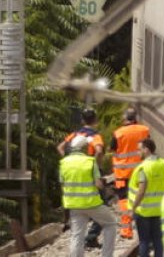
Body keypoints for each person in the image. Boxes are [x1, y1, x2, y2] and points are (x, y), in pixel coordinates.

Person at [60, 135, 118, 257]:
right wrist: (104, 183)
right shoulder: (90, 162)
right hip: (92, 203)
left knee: (77, 235)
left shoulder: (63, 163)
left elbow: (63, 184)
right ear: (84, 148)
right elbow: (98, 185)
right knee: (111, 223)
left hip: (74, 205)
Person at [58, 106, 106, 247]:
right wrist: (95, 166)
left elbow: (60, 148)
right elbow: (98, 151)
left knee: (74, 201)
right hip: (89, 171)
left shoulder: (74, 135)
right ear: (95, 119)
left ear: (82, 119)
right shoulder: (94, 136)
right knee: (102, 204)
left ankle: (72, 228)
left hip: (73, 170)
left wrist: (69, 160)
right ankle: (91, 237)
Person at [111, 108, 151, 239]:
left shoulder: (118, 133)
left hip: (122, 174)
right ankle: (146, 231)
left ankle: (126, 231)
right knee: (142, 200)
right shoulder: (144, 130)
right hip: (140, 171)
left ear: (124, 118)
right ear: (135, 118)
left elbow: (112, 149)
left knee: (124, 201)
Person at [130, 138, 164, 257]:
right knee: (158, 239)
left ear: (146, 150)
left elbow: (141, 190)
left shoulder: (144, 168)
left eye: (139, 150)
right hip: (159, 209)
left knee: (144, 241)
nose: (138, 153)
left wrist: (133, 207)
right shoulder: (163, 164)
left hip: (144, 211)